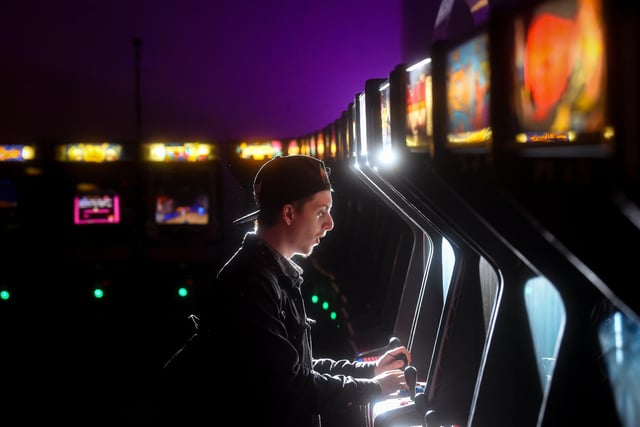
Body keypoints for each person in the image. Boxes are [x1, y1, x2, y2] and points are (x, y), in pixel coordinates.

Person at [160, 154, 412, 427]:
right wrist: (373, 388)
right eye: (321, 212)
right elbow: (290, 387)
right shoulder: (251, 282)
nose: (330, 223)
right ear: (289, 213)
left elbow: (292, 367)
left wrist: (369, 370)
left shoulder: (269, 270)